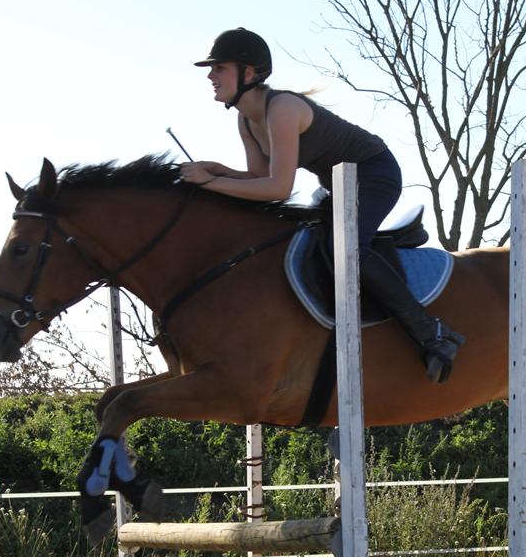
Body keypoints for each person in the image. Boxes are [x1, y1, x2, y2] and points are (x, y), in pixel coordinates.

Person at [179, 27, 464, 383]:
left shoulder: (281, 108)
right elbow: (257, 176)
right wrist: (219, 171)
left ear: (248, 73)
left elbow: (279, 188)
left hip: (375, 174)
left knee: (345, 250)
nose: (210, 75)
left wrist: (212, 182)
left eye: (219, 67)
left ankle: (432, 333)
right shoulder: (245, 120)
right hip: (336, 185)